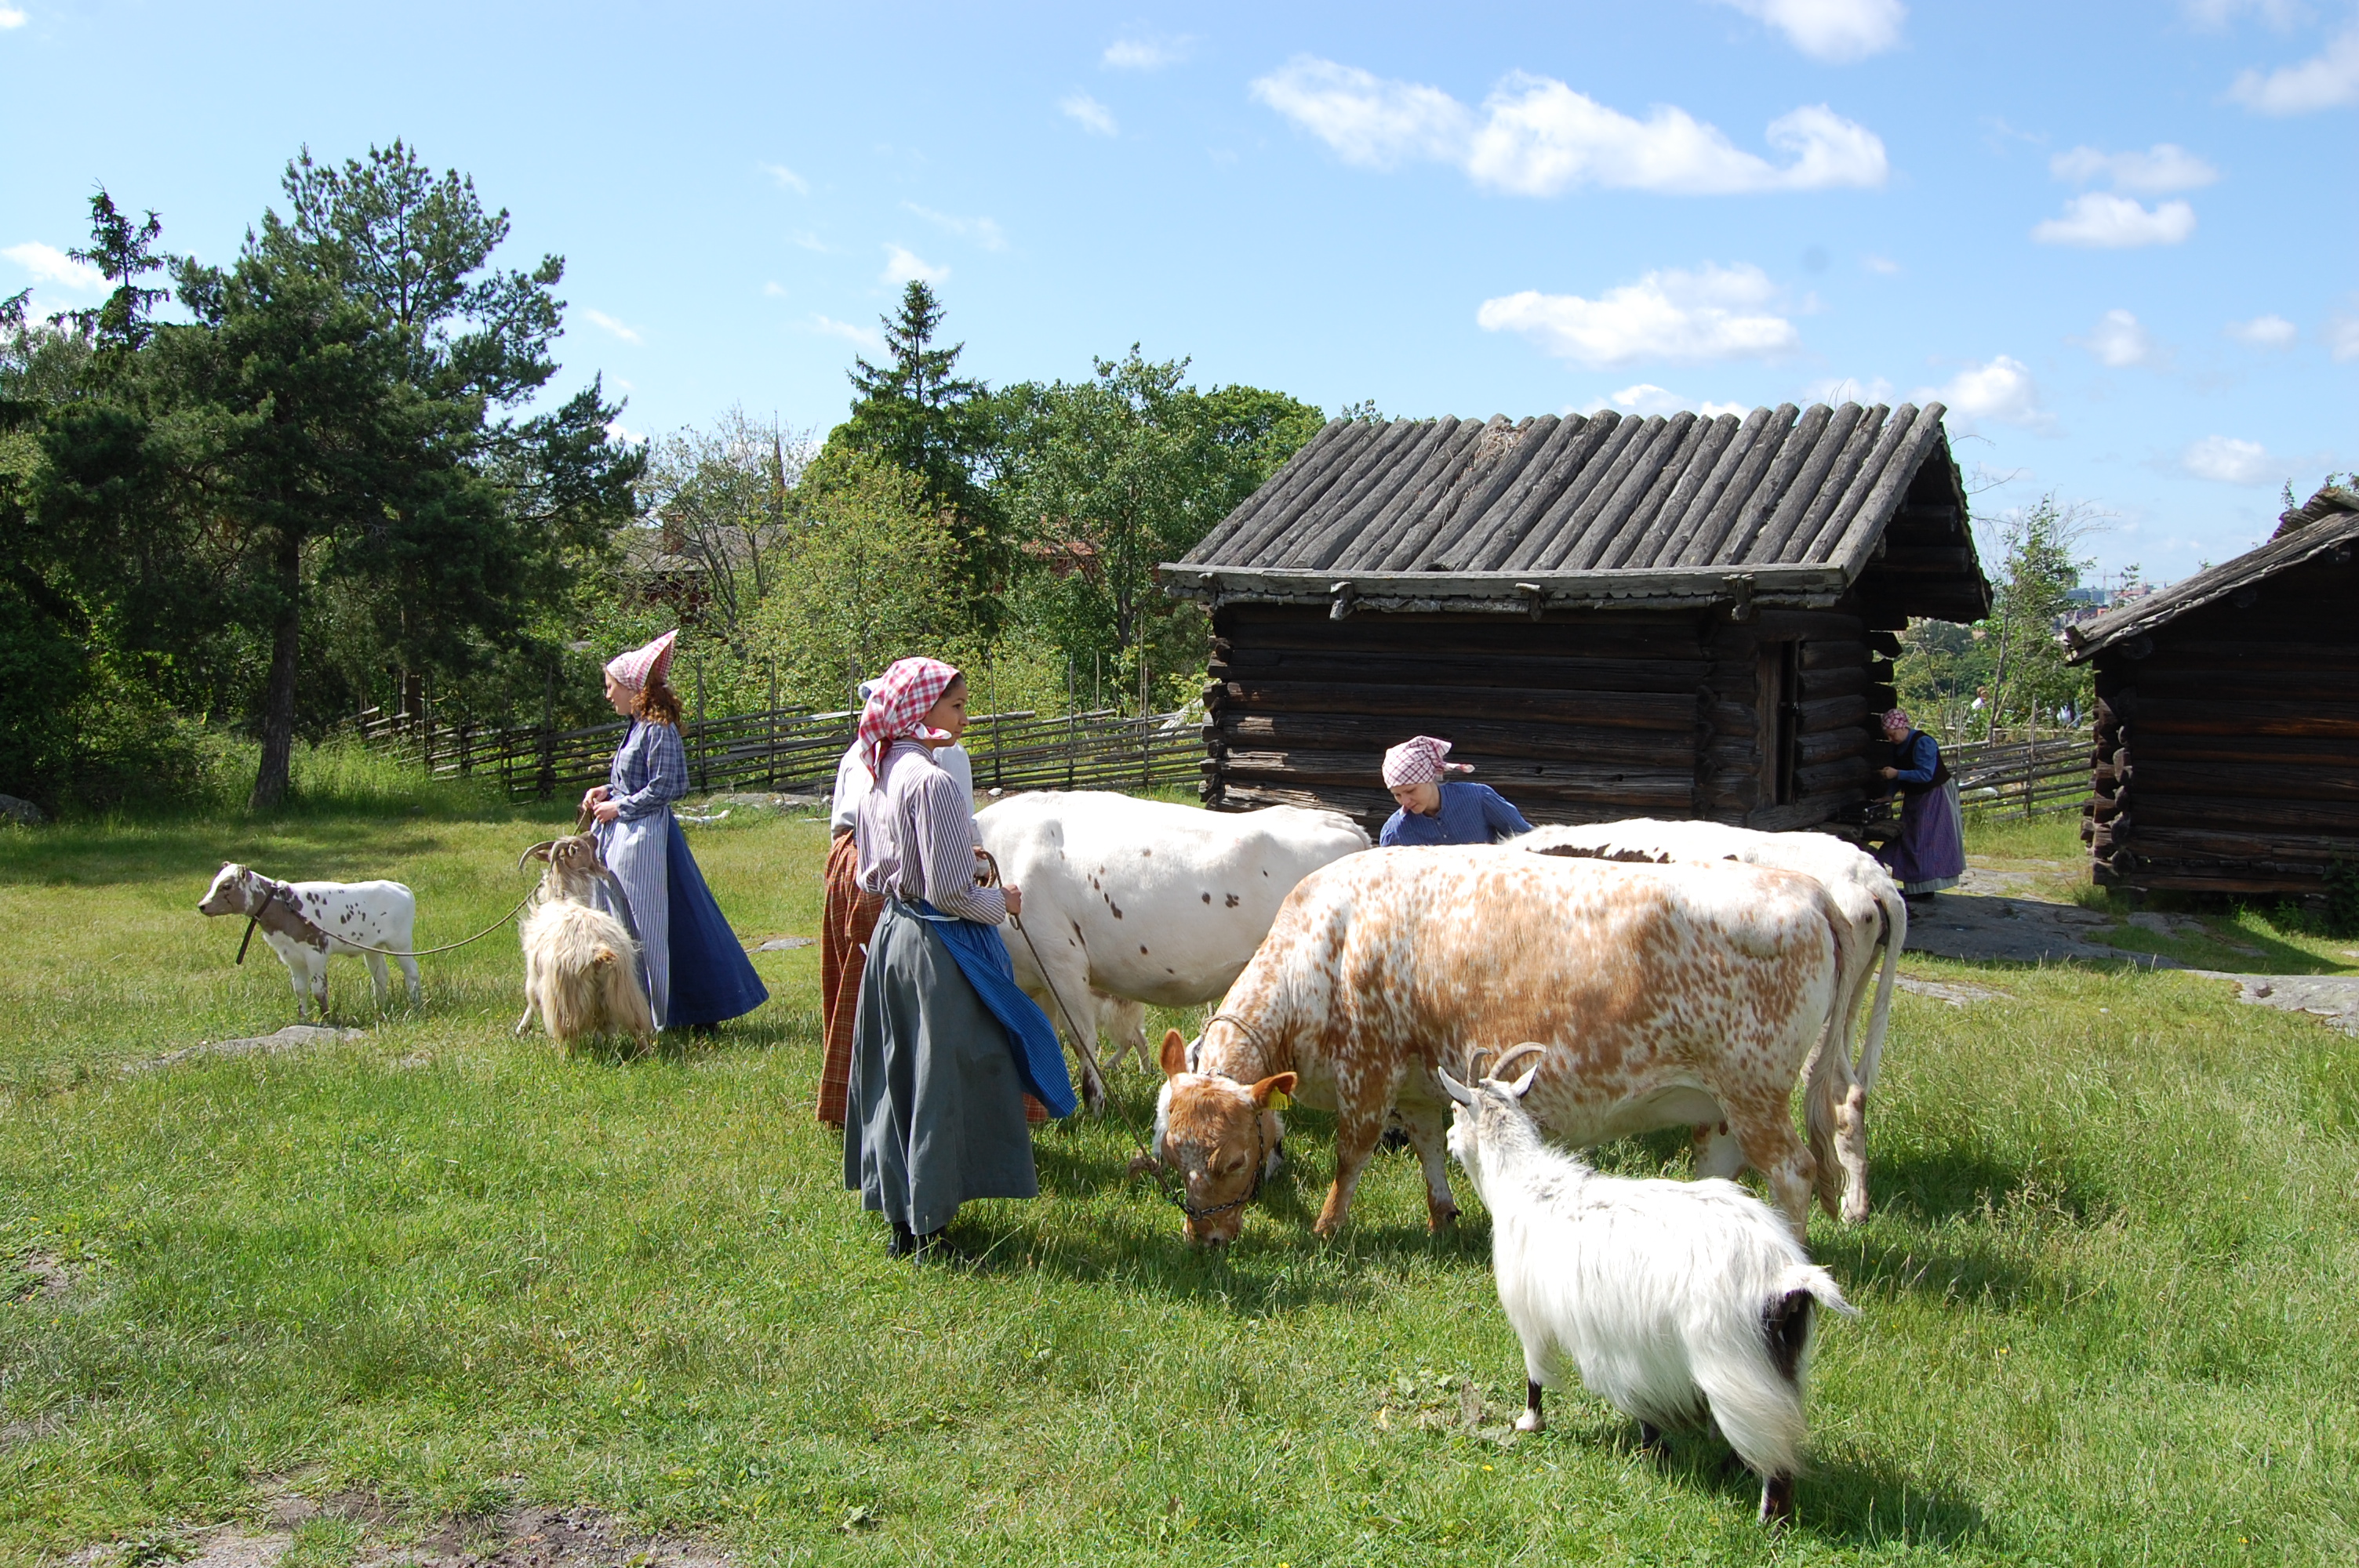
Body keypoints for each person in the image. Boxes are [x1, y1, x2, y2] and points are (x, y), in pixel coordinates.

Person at [845, 657, 1074, 1258]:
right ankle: (930, 1231)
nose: (965, 718)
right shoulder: (935, 781)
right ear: (919, 711)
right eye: (955, 706)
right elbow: (949, 892)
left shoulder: (879, 769)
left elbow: (873, 879)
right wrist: (1001, 899)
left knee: (898, 1077)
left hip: (894, 939)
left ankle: (902, 1217)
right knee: (941, 1079)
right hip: (936, 949)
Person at [580, 630, 769, 1033]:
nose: (606, 694)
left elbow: (669, 786)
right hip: (629, 837)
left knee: (665, 920)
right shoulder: (637, 726)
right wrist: (606, 791)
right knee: (635, 919)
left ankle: (682, 1011)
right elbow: (637, 780)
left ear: (632, 687)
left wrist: (621, 806)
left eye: (610, 686)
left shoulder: (657, 727)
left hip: (650, 841)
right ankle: (641, 1006)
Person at [816, 681, 976, 1127]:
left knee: (863, 984)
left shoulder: (868, 749)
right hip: (910, 874)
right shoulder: (941, 759)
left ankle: (855, 1102)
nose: (965, 719)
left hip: (852, 863)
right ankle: (930, 1107)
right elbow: (954, 841)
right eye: (957, 706)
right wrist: (990, 894)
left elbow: (842, 818)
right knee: (925, 995)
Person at [1377, 735, 1532, 848]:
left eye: (1411, 791)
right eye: (1397, 795)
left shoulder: (1478, 798)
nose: (1405, 801)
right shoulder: (1395, 832)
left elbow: (1528, 839)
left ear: (1429, 777)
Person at [1876, 707, 1965, 902]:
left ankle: (1926, 888)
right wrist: (1889, 795)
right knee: (1911, 838)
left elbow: (1926, 774)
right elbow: (1900, 773)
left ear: (1903, 728)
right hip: (1916, 796)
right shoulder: (1898, 746)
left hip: (1934, 794)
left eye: (1893, 735)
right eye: (1888, 736)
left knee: (1927, 840)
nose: (1891, 739)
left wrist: (1897, 774)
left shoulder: (1923, 743)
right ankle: (1915, 886)